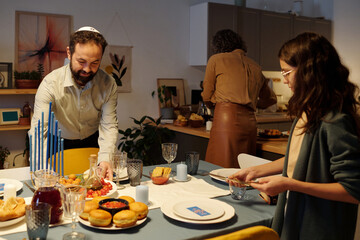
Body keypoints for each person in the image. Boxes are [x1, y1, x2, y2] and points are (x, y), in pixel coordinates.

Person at [228, 32, 360, 239]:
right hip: (298, 214)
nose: (284, 79)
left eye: (287, 72)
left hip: (321, 227)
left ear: (309, 71)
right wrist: (255, 171)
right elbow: (299, 160)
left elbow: (353, 191)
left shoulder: (335, 121)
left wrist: (289, 184)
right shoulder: (308, 112)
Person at [29, 26, 119, 180]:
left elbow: (109, 125)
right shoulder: (50, 84)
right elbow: (38, 132)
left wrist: (105, 159)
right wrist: (41, 171)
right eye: (81, 61)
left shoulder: (108, 84)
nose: (87, 69)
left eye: (95, 63)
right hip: (56, 143)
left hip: (92, 140)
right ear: (69, 53)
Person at [201, 29, 277, 168]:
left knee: (220, 169)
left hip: (226, 121)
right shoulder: (255, 66)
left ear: (219, 46)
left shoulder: (216, 60)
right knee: (243, 170)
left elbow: (206, 95)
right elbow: (271, 99)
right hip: (250, 123)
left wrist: (215, 105)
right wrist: (253, 102)